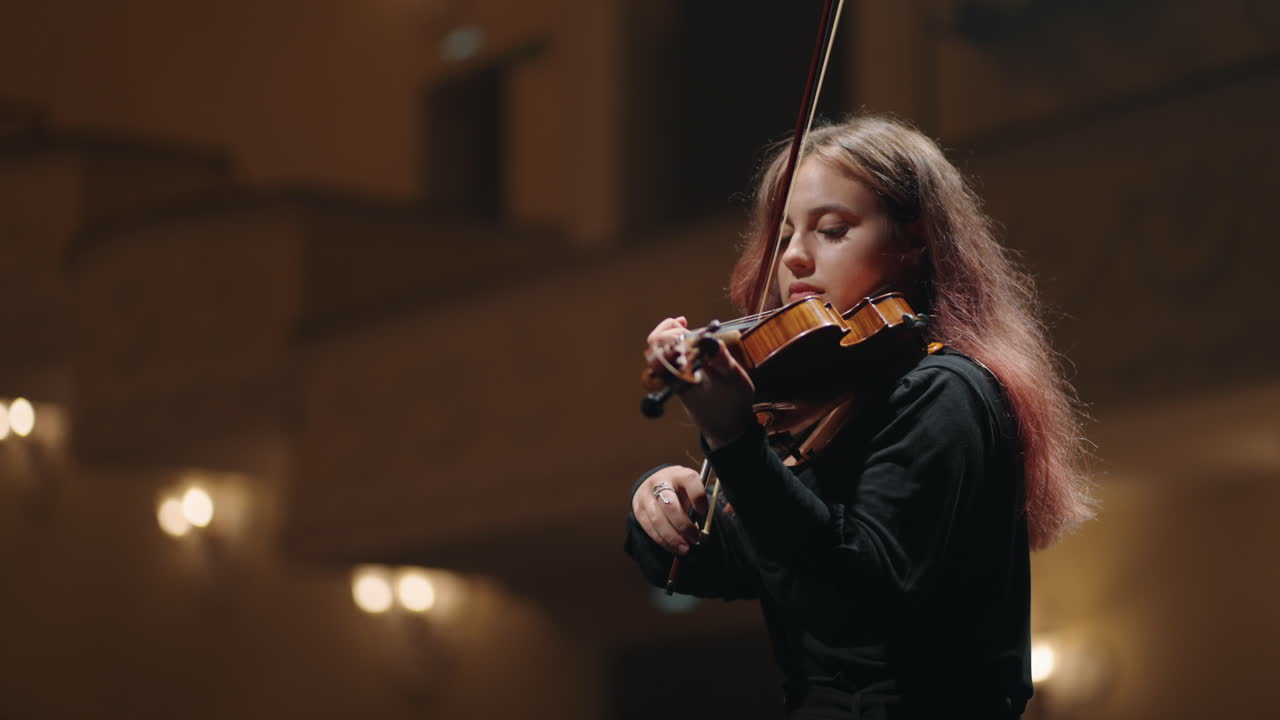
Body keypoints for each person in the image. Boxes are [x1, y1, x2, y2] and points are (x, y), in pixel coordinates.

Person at [624, 114, 1094, 719]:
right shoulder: (839, 399)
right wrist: (660, 503)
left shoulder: (943, 390)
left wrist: (737, 442)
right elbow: (720, 565)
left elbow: (855, 593)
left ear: (913, 238)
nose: (793, 256)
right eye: (785, 232)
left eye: (833, 230)